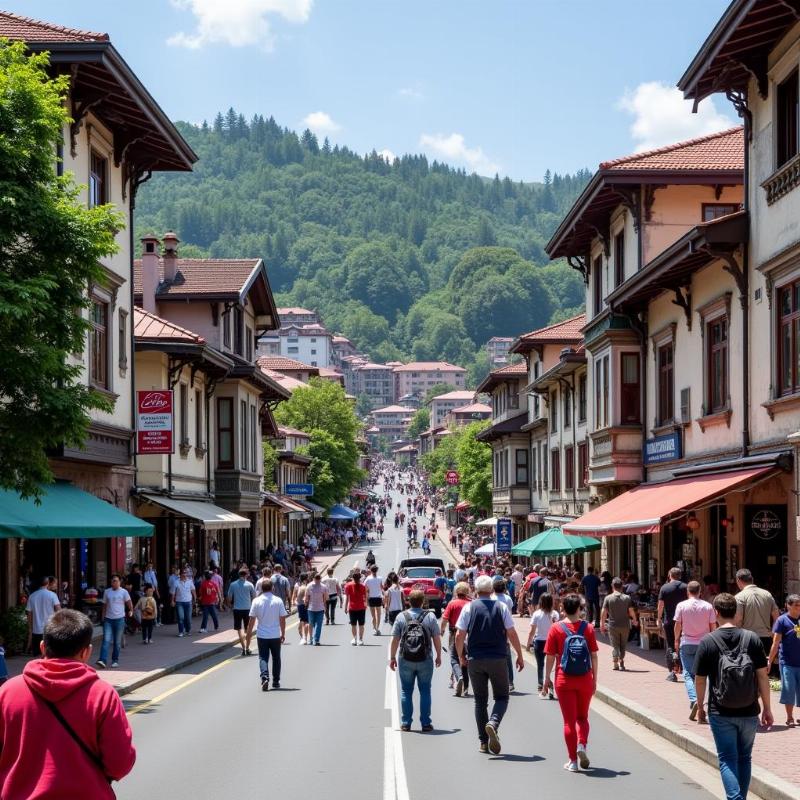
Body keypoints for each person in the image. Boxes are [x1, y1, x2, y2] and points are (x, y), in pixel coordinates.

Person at [0, 610, 136, 798]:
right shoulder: (102, 695)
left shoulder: (7, 692)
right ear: (86, 652)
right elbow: (120, 764)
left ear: (42, 647)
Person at [694, 593, 773, 800]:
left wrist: (700, 707)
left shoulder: (708, 641)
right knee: (745, 757)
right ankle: (740, 797)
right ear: (736, 612)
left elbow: (700, 679)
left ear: (716, 613)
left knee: (728, 758)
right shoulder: (752, 638)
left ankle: (735, 798)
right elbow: (762, 677)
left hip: (720, 711)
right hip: (749, 709)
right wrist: (767, 707)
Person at [455, 575, 524, 755]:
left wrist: (462, 655)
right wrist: (519, 655)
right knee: (502, 697)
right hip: (498, 658)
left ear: (475, 591)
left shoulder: (469, 608)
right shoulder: (501, 607)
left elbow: (459, 635)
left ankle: (484, 743)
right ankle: (493, 722)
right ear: (492, 590)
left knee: (480, 701)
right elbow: (512, 632)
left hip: (475, 659)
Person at [544, 593, 599, 772]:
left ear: (563, 609)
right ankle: (582, 744)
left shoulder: (556, 628)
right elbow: (594, 656)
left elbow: (550, 656)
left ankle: (573, 761)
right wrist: (594, 679)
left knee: (569, 721)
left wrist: (546, 678)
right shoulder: (588, 628)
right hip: (584, 678)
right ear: (579, 609)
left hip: (564, 679)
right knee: (583, 717)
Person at [389, 589, 442, 732]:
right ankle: (425, 723)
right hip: (425, 658)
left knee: (406, 691)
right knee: (425, 690)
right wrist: (439, 655)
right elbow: (436, 637)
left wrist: (392, 657)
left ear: (408, 601)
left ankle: (406, 722)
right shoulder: (430, 616)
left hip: (405, 658)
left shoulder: (401, 616)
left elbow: (395, 639)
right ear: (423, 601)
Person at [674, 580, 717, 721]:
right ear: (700, 592)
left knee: (688, 674)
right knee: (706, 674)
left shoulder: (681, 605)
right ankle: (705, 701)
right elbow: (713, 627)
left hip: (687, 643)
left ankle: (694, 699)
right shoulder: (708, 606)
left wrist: (676, 639)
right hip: (704, 644)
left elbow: (678, 625)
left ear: (688, 592)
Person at [245, 578, 288, 691]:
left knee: (263, 657)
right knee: (276, 658)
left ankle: (264, 676)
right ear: (272, 588)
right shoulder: (278, 600)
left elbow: (252, 619)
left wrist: (248, 633)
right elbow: (282, 618)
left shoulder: (256, 601)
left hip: (262, 635)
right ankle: (276, 681)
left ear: (261, 589)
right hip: (275, 634)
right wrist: (283, 633)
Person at [734, 568, 779, 668]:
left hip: (747, 638)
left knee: (748, 670)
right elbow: (776, 616)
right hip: (766, 638)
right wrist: (773, 633)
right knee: (763, 671)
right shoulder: (767, 594)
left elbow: (739, 619)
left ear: (738, 580)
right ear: (752, 579)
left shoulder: (739, 597)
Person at [767, 593, 800, 726]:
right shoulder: (782, 620)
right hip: (787, 662)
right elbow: (776, 642)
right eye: (796, 605)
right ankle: (790, 717)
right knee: (789, 689)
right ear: (788, 606)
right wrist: (770, 660)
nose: (799, 608)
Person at [600, 577, 638, 671]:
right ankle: (621, 662)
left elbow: (603, 612)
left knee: (615, 644)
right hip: (625, 625)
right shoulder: (627, 598)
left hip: (612, 625)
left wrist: (601, 624)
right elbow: (631, 611)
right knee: (623, 645)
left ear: (612, 586)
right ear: (622, 587)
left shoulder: (608, 598)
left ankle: (615, 662)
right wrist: (634, 619)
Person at [441, 581, 471, 697]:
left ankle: (459, 677)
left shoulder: (452, 603)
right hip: (469, 634)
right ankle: (466, 687)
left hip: (455, 633)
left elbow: (444, 619)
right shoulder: (472, 603)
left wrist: (442, 631)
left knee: (454, 658)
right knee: (465, 659)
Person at [657, 567, 688, 681]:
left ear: (670, 575)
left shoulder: (664, 588)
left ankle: (672, 672)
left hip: (669, 621)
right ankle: (684, 668)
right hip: (683, 621)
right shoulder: (686, 587)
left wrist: (659, 618)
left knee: (670, 645)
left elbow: (660, 605)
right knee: (683, 644)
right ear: (680, 576)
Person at [96, 574, 132, 669]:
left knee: (117, 642)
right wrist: (103, 618)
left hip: (120, 620)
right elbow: (104, 605)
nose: (114, 582)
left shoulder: (124, 592)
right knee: (106, 640)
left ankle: (115, 660)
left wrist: (131, 610)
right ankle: (102, 660)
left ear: (120, 582)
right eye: (112, 581)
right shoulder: (107, 592)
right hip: (108, 620)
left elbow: (129, 602)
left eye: (116, 581)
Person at [527, 592, 559, 698]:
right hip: (552, 642)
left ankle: (540, 684)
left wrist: (529, 643)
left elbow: (532, 631)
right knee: (550, 666)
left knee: (540, 665)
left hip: (539, 642)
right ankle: (550, 687)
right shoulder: (555, 614)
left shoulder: (537, 614)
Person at [25, 576, 61, 656]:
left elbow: (29, 614)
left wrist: (30, 627)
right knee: (49, 654)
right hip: (50, 628)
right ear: (47, 583)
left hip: (36, 630)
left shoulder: (32, 596)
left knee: (37, 654)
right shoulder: (52, 595)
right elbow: (59, 610)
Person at [227, 567, 256, 656]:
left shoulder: (233, 584)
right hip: (247, 609)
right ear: (246, 575)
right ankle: (247, 648)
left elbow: (229, 598)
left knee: (239, 629)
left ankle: (243, 648)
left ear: (239, 575)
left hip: (237, 609)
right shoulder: (250, 585)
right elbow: (254, 597)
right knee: (248, 629)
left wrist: (230, 606)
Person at [171, 568, 196, 637]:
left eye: (185, 573)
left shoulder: (190, 581)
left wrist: (195, 599)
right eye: (183, 573)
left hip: (188, 602)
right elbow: (173, 592)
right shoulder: (176, 582)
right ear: (180, 575)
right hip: (179, 602)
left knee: (188, 617)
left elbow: (193, 590)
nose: (185, 575)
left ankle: (188, 630)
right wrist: (172, 600)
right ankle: (181, 631)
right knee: (181, 617)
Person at [305, 573, 329, 645]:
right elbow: (307, 597)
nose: (317, 581)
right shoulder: (310, 586)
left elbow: (325, 598)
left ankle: (315, 639)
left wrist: (324, 606)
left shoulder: (322, 586)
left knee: (316, 624)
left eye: (318, 579)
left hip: (318, 608)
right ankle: (313, 639)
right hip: (313, 608)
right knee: (313, 624)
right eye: (317, 579)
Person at [345, 570, 368, 645]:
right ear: (360, 578)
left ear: (352, 578)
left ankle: (354, 639)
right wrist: (366, 604)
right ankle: (360, 639)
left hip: (352, 607)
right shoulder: (363, 586)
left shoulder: (348, 585)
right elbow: (365, 596)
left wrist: (345, 607)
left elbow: (347, 598)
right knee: (361, 625)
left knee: (353, 625)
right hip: (361, 607)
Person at [365, 564, 385, 635]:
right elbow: (382, 587)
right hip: (378, 598)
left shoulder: (368, 579)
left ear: (370, 570)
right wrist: (384, 595)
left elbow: (365, 589)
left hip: (371, 598)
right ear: (377, 570)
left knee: (373, 615)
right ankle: (377, 628)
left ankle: (375, 628)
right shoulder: (380, 578)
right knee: (378, 614)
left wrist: (366, 599)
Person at [292, 573, 310, 645]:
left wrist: (293, 601)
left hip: (299, 605)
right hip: (306, 605)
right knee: (306, 621)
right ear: (306, 578)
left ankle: (302, 637)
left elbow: (294, 594)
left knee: (302, 620)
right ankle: (305, 638)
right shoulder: (307, 586)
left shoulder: (297, 585)